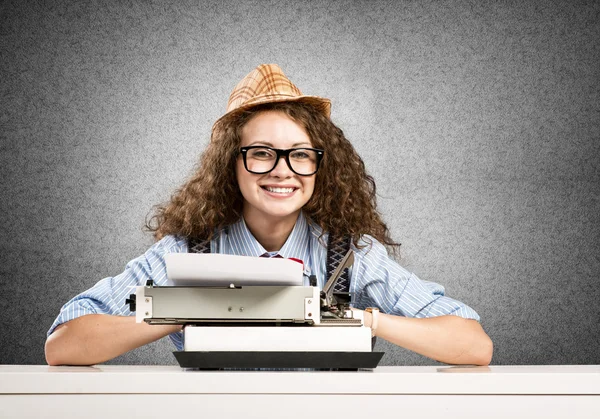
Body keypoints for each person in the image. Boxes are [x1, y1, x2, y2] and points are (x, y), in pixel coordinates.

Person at [45, 64, 493, 366]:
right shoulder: (183, 252)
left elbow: (474, 345)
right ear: (231, 163)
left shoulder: (351, 256)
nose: (282, 171)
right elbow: (63, 344)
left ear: (319, 164)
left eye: (299, 154)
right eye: (261, 153)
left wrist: (364, 319)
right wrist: (185, 311)